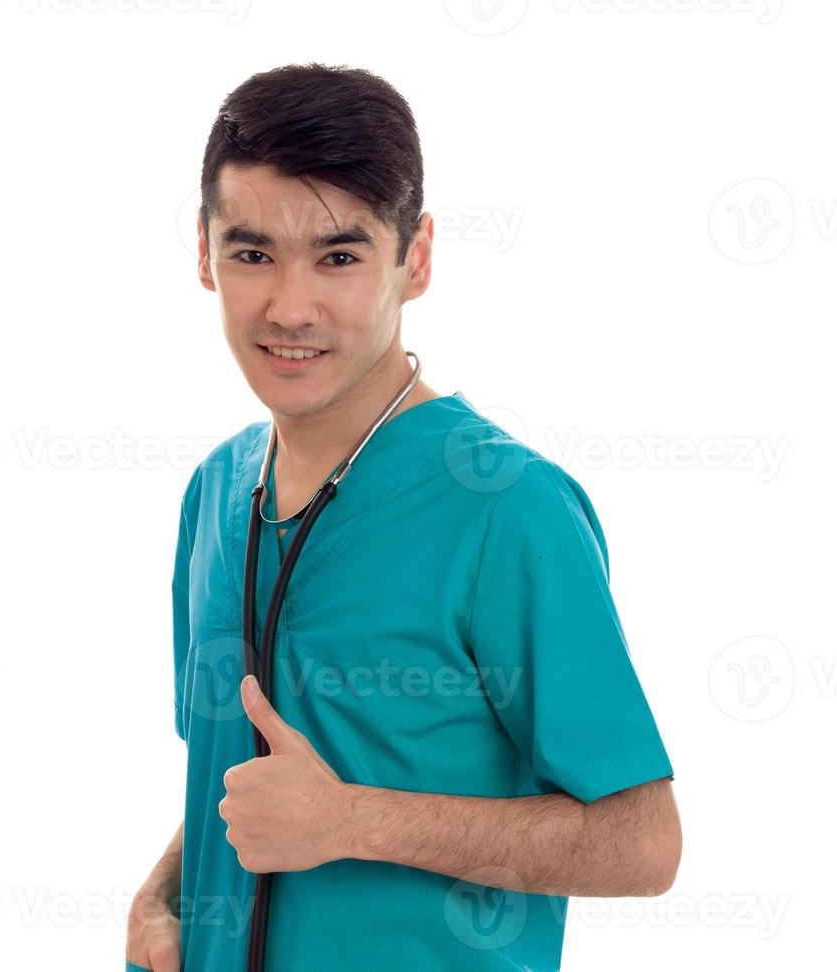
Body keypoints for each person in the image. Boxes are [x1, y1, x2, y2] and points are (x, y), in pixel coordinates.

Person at [127, 62, 681, 972]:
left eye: (339, 256)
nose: (289, 306)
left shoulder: (508, 510)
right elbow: (245, 786)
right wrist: (160, 898)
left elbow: (643, 841)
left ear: (414, 257)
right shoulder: (214, 493)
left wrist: (348, 821)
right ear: (202, 251)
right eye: (252, 251)